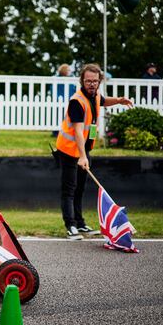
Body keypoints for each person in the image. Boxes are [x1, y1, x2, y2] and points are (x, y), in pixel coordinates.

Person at [55, 63, 133, 240]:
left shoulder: (95, 95)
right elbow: (77, 131)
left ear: (99, 82)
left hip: (83, 151)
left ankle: (80, 223)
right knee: (69, 189)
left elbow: (104, 101)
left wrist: (120, 100)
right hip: (69, 150)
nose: (92, 84)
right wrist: (82, 157)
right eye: (88, 81)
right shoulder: (77, 101)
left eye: (95, 81)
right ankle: (71, 226)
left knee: (80, 188)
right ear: (82, 80)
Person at [51, 63, 76, 137]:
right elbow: (53, 90)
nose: (69, 72)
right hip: (59, 101)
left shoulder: (70, 80)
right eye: (68, 70)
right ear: (64, 71)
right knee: (57, 116)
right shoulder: (57, 79)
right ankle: (56, 132)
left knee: (67, 117)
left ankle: (64, 132)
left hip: (68, 101)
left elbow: (72, 90)